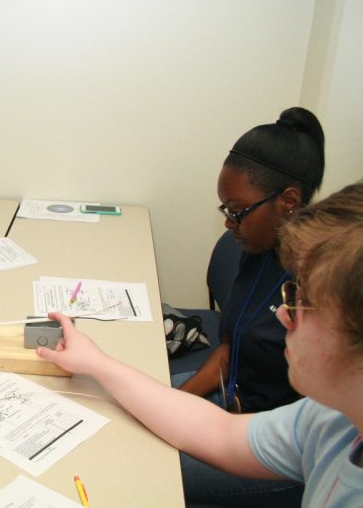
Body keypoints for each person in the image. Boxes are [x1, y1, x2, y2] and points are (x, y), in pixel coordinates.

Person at [37, 180, 363, 507]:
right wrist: (95, 362)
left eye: (301, 301)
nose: (282, 317)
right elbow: (219, 432)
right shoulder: (333, 419)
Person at [176, 107, 325, 414]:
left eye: (237, 211)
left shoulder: (321, 284)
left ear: (289, 201)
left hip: (262, 436)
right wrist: (174, 401)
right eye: (226, 211)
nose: (229, 224)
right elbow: (231, 352)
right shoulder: (260, 251)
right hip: (226, 399)